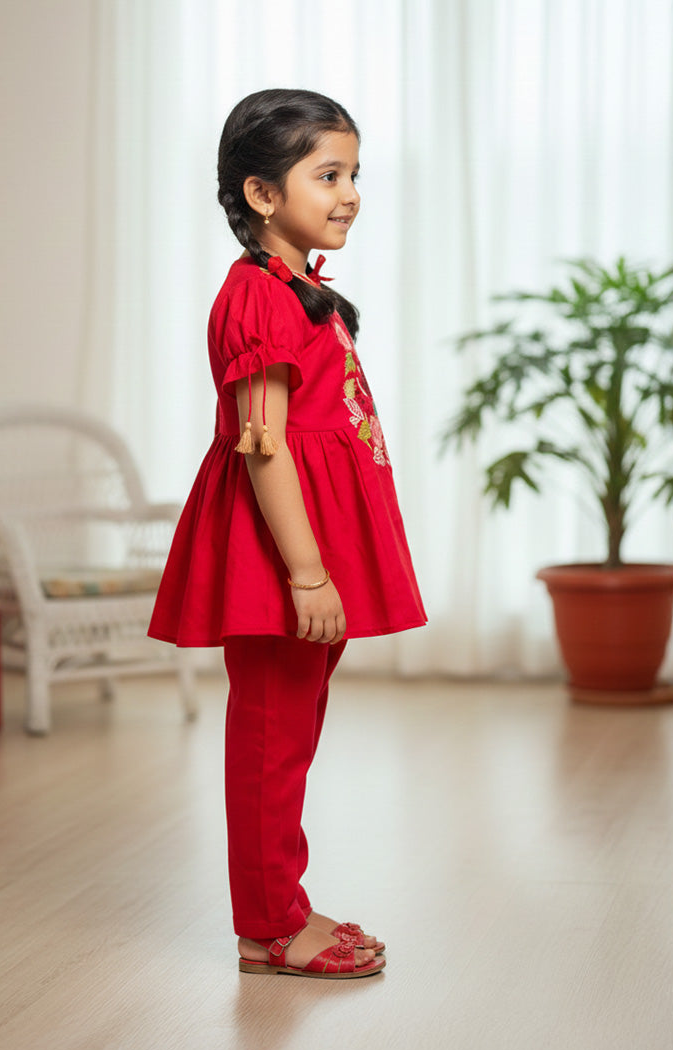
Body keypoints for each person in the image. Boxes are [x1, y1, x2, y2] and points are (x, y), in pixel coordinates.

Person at [149, 88, 426, 980]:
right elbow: (261, 446)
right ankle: (270, 925)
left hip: (311, 542)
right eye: (328, 174)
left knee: (292, 729)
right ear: (263, 194)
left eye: (354, 175)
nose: (350, 194)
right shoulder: (258, 299)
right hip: (280, 551)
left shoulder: (299, 290)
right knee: (271, 734)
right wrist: (307, 573)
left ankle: (282, 906)